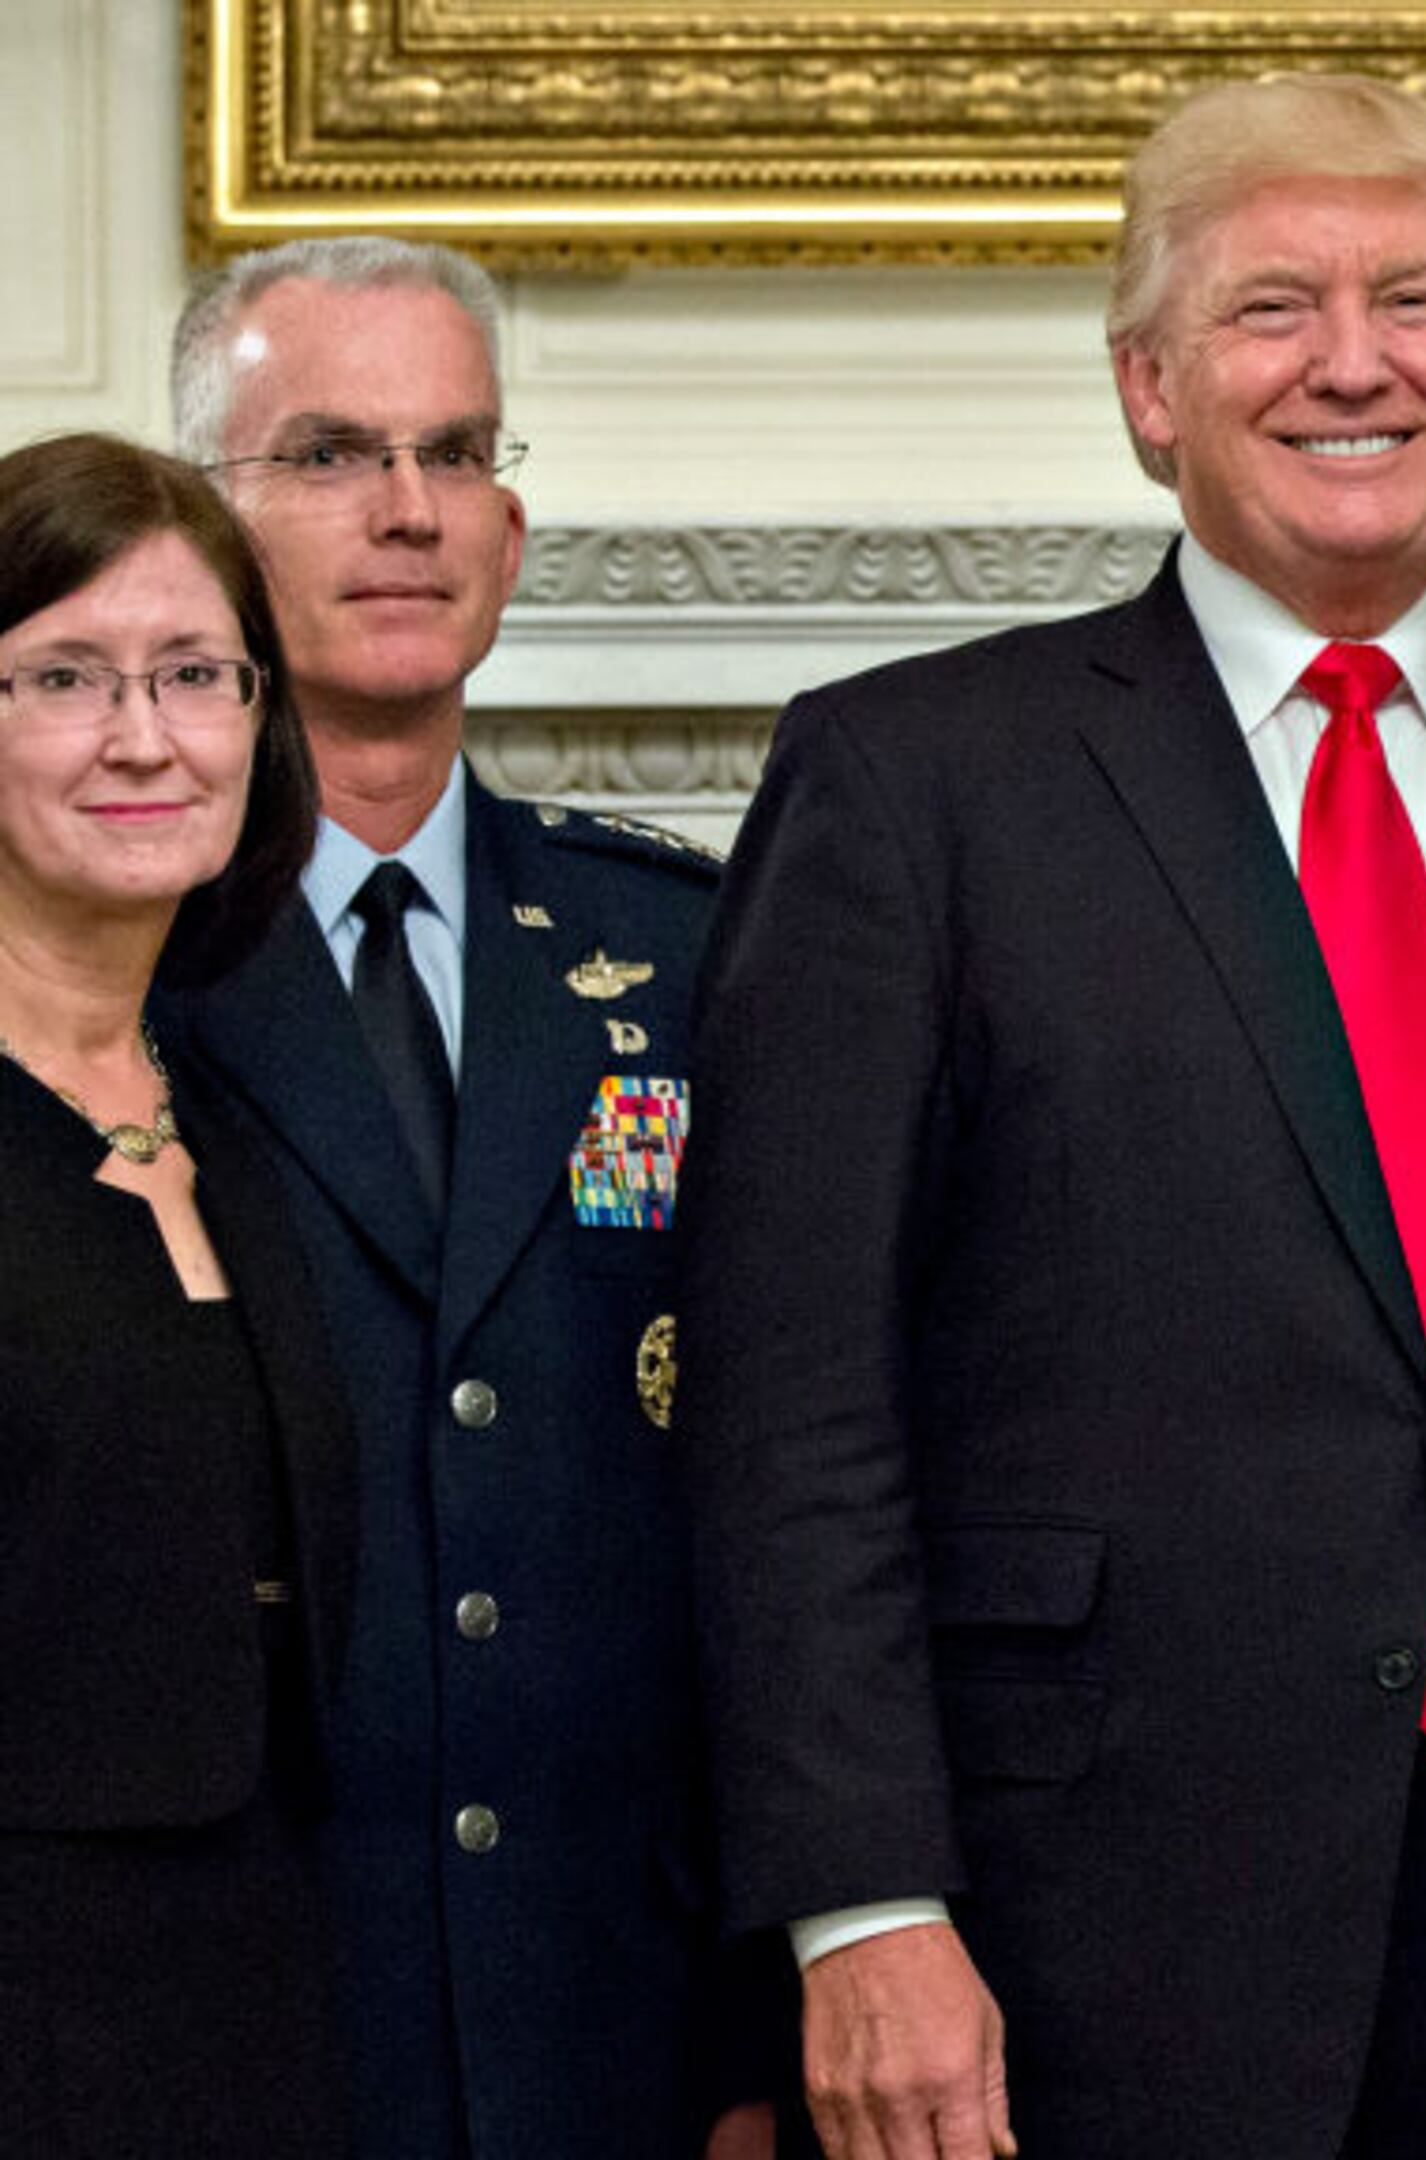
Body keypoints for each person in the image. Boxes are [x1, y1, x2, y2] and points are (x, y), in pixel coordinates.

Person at [676, 73, 1426, 2160]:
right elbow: (786, 1400)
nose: (1356, 360)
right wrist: (862, 1903)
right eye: (1274, 307)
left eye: (1418, 302)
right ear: (1149, 387)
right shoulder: (914, 786)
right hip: (1070, 1927)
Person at [157, 239, 776, 2159]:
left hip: (620, 2009)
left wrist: (759, 2024)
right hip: (236, 2002)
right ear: (201, 521)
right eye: (329, 452)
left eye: (452, 452)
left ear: (512, 528)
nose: (408, 510)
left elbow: (783, 1503)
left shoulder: (679, 950)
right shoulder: (111, 974)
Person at [0, 430, 347, 2154]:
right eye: (65, 676)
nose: (144, 736)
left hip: (271, 1999)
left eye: (196, 674)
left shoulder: (234, 1105)